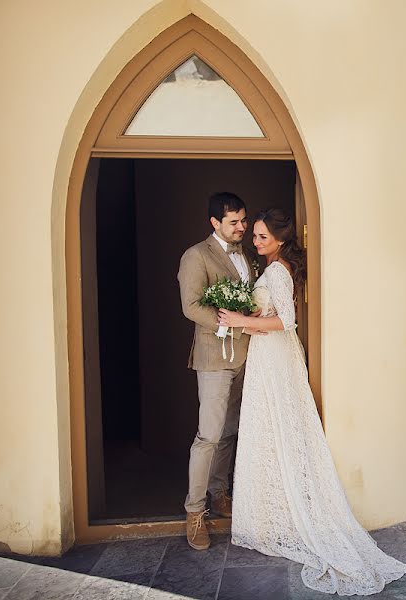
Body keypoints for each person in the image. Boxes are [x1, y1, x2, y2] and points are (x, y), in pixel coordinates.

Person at [218, 208, 406, 595]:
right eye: (253, 236)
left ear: (281, 240)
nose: (255, 242)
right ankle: (271, 514)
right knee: (272, 429)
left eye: (262, 237)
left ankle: (282, 517)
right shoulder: (276, 268)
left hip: (273, 355)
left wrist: (243, 322)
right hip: (272, 354)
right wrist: (252, 311)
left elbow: (286, 321)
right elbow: (272, 311)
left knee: (274, 428)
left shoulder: (276, 270)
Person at [177, 192, 258, 551]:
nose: (242, 227)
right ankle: (195, 512)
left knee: (229, 431)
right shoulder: (196, 256)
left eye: (243, 220)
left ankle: (220, 493)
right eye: (234, 222)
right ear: (215, 223)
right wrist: (231, 324)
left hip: (246, 356)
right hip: (214, 357)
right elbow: (191, 306)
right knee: (208, 436)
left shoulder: (247, 255)